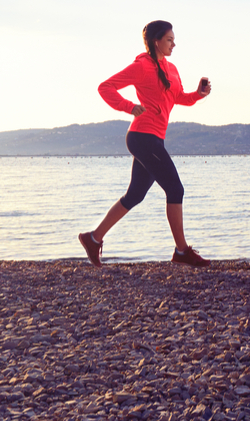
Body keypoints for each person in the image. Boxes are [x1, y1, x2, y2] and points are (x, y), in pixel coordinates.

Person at [79, 20, 212, 267]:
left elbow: (179, 97)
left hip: (153, 138)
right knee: (175, 189)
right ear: (156, 41)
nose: (174, 44)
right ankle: (182, 252)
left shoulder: (171, 68)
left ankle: (93, 238)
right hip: (142, 137)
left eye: (174, 39)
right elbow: (105, 87)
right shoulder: (141, 66)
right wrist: (129, 106)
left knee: (136, 194)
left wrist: (198, 94)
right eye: (169, 40)